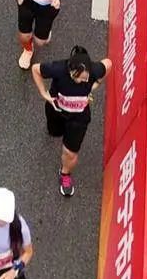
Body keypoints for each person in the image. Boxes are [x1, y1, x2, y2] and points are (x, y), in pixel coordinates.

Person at [31, 44, 111, 197]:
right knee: (54, 132)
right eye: (77, 78)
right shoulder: (58, 69)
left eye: (85, 79)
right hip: (56, 110)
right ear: (70, 70)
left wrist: (96, 84)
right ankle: (56, 132)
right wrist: (43, 94)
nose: (81, 82)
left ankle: (65, 173)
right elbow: (35, 69)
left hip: (78, 118)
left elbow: (109, 64)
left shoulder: (94, 70)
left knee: (70, 153)